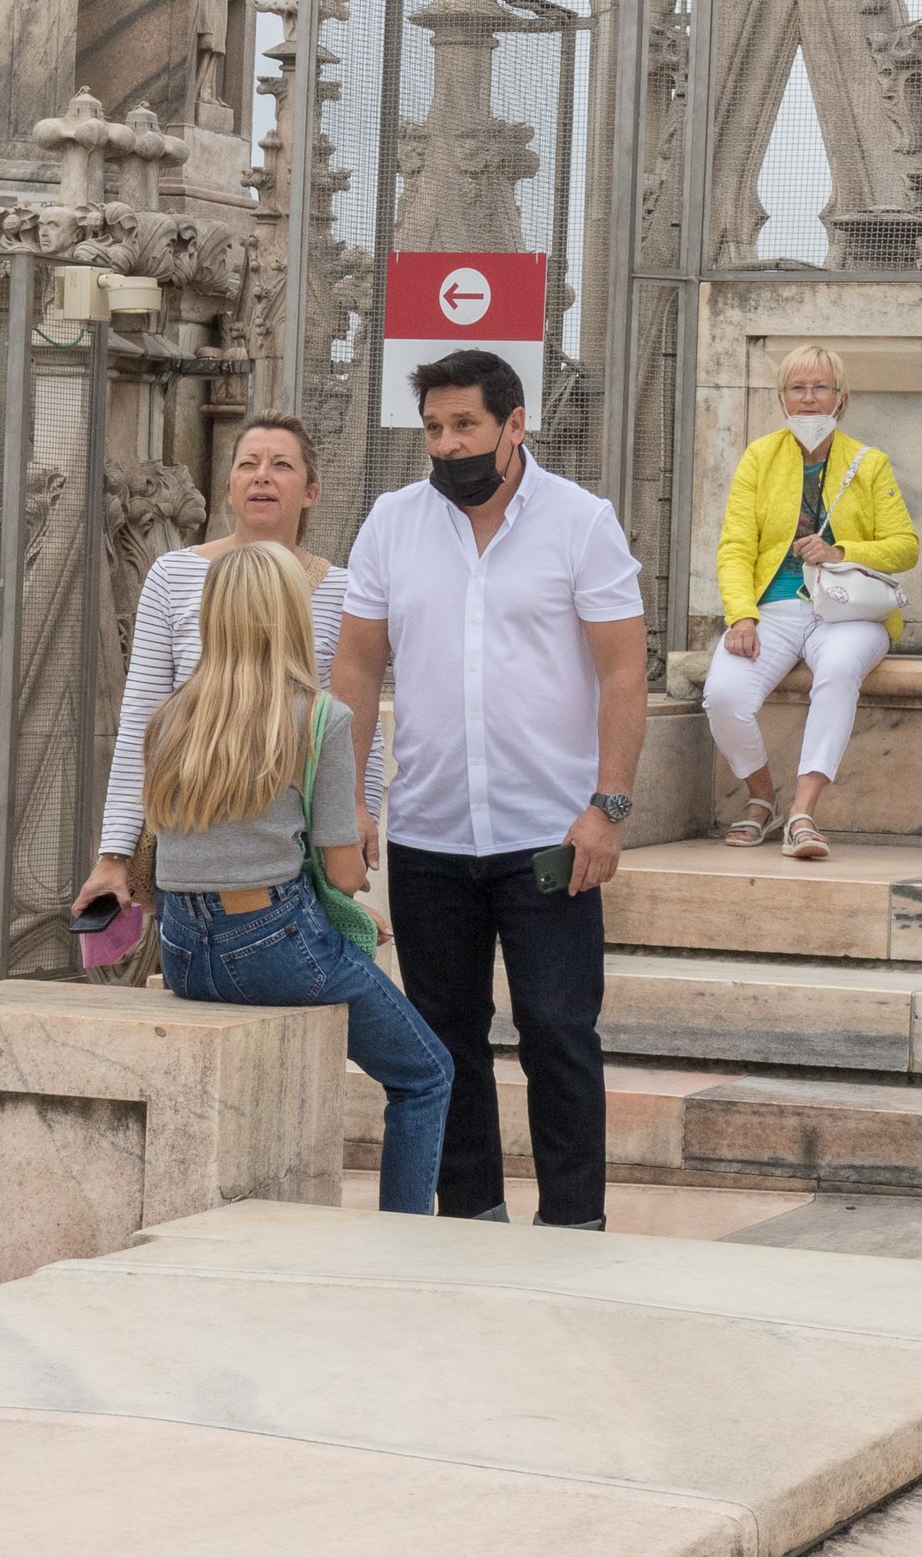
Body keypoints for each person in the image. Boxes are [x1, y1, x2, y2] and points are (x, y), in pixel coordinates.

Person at [328, 348, 646, 1228]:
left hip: (550, 833)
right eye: (434, 428)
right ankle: (471, 1220)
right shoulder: (392, 523)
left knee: (557, 1031)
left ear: (515, 425)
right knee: (444, 1039)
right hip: (428, 833)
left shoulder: (582, 523)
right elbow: (355, 669)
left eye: (465, 424)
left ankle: (574, 1225)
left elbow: (623, 673)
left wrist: (610, 806)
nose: (447, 444)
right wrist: (348, 800)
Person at [134, 542, 455, 1216]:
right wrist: (350, 901)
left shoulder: (171, 718)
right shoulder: (320, 716)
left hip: (183, 950)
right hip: (273, 946)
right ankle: (404, 1240)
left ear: (214, 617)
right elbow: (343, 870)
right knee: (426, 1073)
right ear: (291, 617)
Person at [80, 414, 357, 933]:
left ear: (311, 492)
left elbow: (353, 719)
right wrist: (114, 854)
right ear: (228, 489)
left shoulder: (343, 590)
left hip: (297, 841)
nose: (262, 476)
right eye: (248, 464)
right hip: (193, 837)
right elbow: (141, 718)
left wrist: (361, 813)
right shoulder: (174, 574)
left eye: (281, 465)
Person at [700, 343, 919, 862]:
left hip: (848, 612)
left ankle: (803, 813)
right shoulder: (760, 457)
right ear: (781, 398)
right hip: (773, 608)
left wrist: (842, 551)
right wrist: (741, 616)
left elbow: (905, 546)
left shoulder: (869, 462)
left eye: (821, 387)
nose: (809, 398)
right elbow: (735, 546)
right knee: (724, 694)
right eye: (797, 388)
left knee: (839, 669)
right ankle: (762, 797)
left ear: (842, 398)